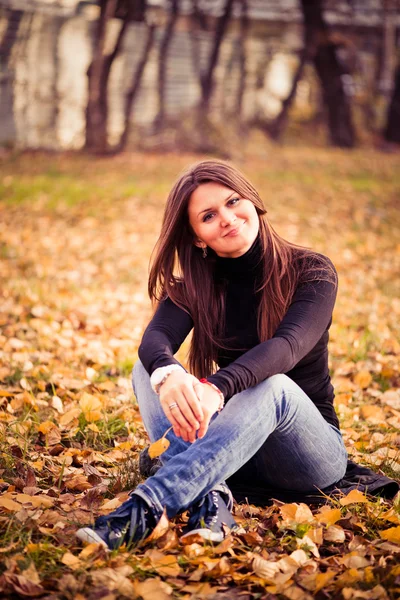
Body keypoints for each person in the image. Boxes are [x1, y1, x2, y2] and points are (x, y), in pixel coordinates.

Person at [76, 159, 350, 550]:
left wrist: (217, 388)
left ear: (252, 201)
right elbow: (154, 341)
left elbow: (286, 349)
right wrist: (168, 375)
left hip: (308, 455)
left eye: (233, 201)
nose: (227, 218)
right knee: (150, 367)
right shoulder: (196, 287)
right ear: (198, 238)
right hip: (233, 445)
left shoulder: (312, 271)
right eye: (208, 216)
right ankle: (213, 499)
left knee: (272, 384)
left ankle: (149, 507)